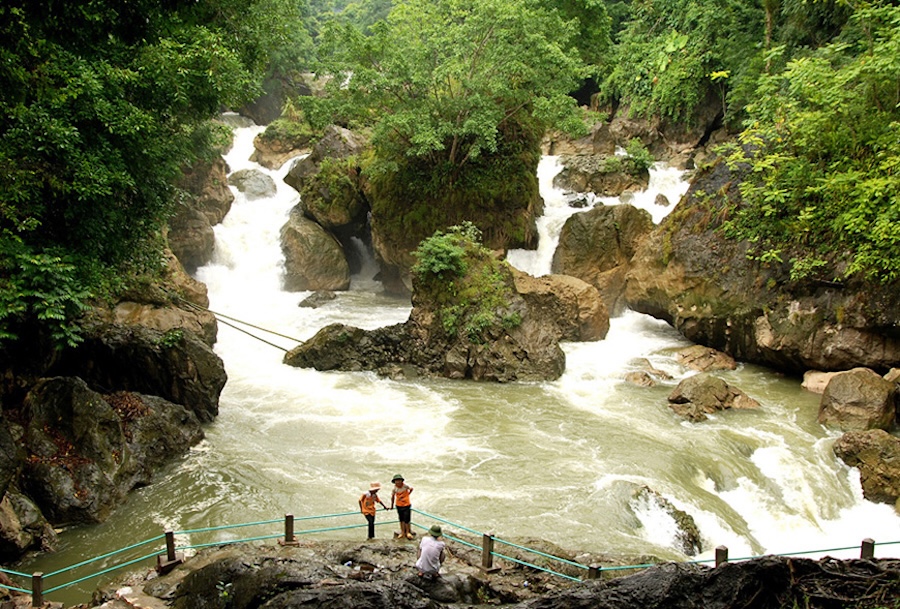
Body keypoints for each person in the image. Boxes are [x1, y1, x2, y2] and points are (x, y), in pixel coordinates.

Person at [389, 474, 414, 539]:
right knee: (401, 519)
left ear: (401, 481)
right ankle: (402, 532)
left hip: (406, 505)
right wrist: (391, 505)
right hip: (399, 505)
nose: (398, 482)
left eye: (399, 480)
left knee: (407, 519)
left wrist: (408, 495)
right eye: (396, 481)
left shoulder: (405, 486)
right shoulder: (395, 489)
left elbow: (411, 489)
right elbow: (392, 497)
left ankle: (407, 532)